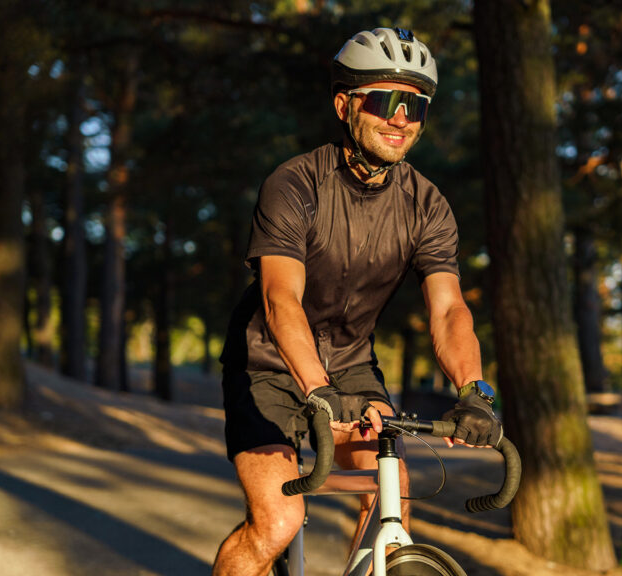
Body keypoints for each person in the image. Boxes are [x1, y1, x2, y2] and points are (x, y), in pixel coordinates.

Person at [212, 27, 502, 576]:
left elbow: (448, 310)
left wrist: (474, 390)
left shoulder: (427, 205)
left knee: (391, 499)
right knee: (278, 520)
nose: (401, 118)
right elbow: (279, 299)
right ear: (345, 104)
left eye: (416, 105)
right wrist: (314, 386)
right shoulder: (295, 183)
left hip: (350, 367)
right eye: (386, 100)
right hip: (268, 365)